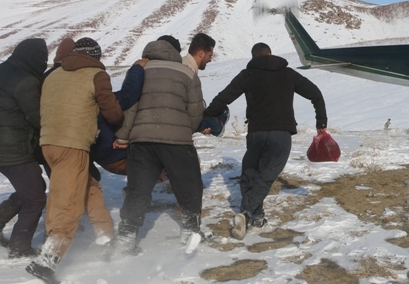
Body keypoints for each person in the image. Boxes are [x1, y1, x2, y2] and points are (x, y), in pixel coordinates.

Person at [202, 42, 327, 238]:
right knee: (267, 174)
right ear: (270, 54)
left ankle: (253, 215)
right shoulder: (288, 74)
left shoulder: (248, 75)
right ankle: (249, 213)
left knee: (250, 173)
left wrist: (206, 117)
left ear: (253, 58)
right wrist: (321, 121)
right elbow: (316, 94)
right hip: (281, 133)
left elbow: (223, 98)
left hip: (256, 133)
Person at [26, 37, 124, 284]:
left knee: (89, 188)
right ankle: (47, 259)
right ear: (96, 56)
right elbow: (112, 113)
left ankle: (105, 238)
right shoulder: (96, 75)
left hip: (48, 144)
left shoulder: (53, 75)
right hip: (73, 144)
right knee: (68, 202)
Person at [113, 39, 205, 254]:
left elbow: (131, 107)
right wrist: (185, 129)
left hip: (142, 140)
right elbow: (195, 110)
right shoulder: (187, 73)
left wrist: (123, 137)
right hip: (177, 140)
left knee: (138, 189)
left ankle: (126, 235)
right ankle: (191, 230)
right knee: (189, 185)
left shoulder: (140, 70)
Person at [0, 39, 48, 258]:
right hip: (14, 149)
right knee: (35, 199)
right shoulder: (26, 81)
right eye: (42, 59)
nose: (43, 64)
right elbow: (37, 118)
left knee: (31, 190)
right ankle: (19, 248)